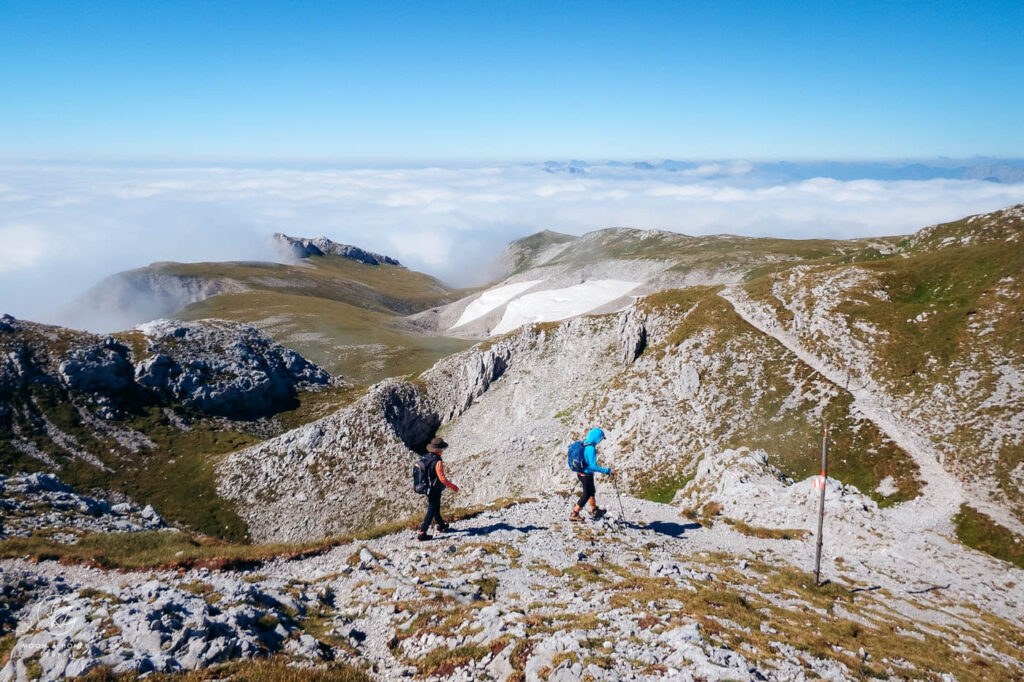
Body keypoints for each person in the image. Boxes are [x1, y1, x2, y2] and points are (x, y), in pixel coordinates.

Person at [418, 437, 459, 541]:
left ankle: (440, 525)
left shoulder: (426, 456)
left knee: (436, 506)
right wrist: (453, 487)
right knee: (431, 509)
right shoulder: (438, 461)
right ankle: (422, 532)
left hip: (426, 487)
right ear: (439, 450)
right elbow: (442, 478)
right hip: (434, 488)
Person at [570, 427, 616, 522]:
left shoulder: (584, 442)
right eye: (600, 438)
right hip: (586, 475)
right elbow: (593, 466)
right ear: (597, 438)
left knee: (591, 492)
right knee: (586, 495)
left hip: (581, 473)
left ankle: (595, 510)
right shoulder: (591, 448)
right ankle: (574, 513)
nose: (600, 441)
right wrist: (608, 471)